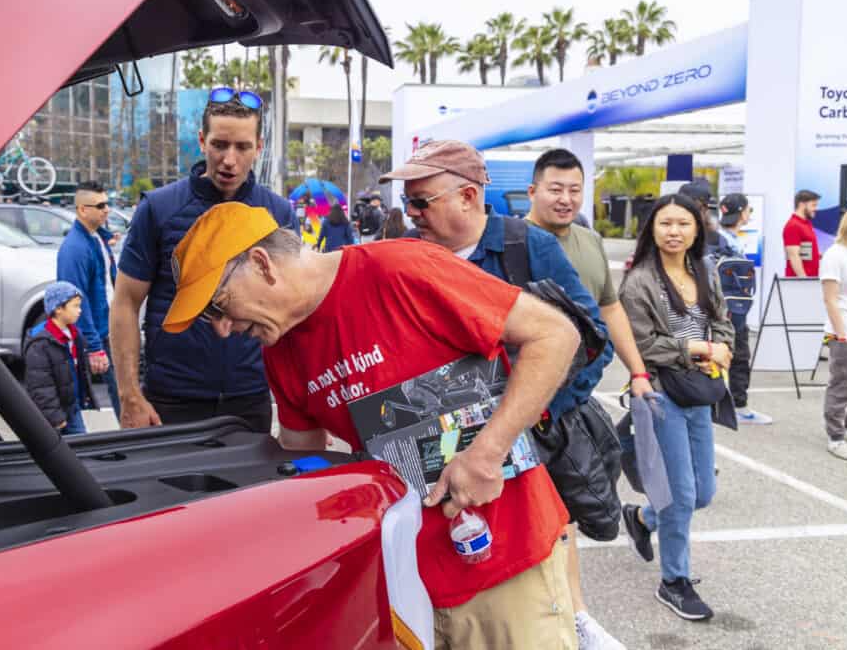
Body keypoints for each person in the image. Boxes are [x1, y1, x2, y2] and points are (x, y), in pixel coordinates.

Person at [164, 202, 581, 649]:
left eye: (220, 307)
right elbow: (307, 462)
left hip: (503, 559)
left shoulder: (399, 270)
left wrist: (487, 451)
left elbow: (555, 334)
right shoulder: (280, 351)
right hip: (402, 584)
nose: (224, 330)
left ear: (262, 264)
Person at [382, 140, 621, 650]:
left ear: (468, 196)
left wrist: (535, 414)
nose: (412, 214)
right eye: (408, 204)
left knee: (543, 537)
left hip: (524, 436)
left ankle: (568, 615)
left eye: (422, 202)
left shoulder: (525, 246)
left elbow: (590, 338)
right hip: (444, 441)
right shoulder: (406, 254)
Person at [524, 148, 667, 649]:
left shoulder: (587, 240)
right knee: (535, 515)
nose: (565, 199)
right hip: (525, 408)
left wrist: (639, 371)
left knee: (565, 513)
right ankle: (551, 615)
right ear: (533, 192)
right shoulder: (514, 244)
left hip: (574, 404)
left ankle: (575, 615)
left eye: (574, 190)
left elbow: (610, 309)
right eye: (555, 189)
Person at [112, 88, 295, 433]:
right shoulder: (159, 208)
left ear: (259, 147)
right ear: (201, 141)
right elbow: (125, 302)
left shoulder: (278, 213)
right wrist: (130, 396)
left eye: (242, 147)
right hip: (172, 400)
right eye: (219, 144)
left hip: (249, 398)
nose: (229, 159)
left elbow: (293, 313)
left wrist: (305, 404)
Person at [619, 194, 734, 622]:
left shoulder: (703, 270)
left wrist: (723, 348)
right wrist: (697, 348)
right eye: (665, 223)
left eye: (683, 224)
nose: (674, 231)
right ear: (652, 228)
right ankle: (674, 581)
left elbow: (722, 319)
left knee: (703, 492)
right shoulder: (639, 281)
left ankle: (644, 518)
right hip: (661, 394)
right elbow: (641, 343)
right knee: (681, 495)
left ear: (697, 229)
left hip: (700, 390)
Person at [57, 180, 119, 416]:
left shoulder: (96, 238)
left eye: (107, 203)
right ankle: (130, 437)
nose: (107, 210)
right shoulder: (74, 249)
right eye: (100, 205)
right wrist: (94, 347)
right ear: (83, 210)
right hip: (100, 334)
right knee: (120, 392)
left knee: (124, 389)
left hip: (110, 327)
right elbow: (74, 302)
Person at [716, 193, 771, 425]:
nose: (749, 216)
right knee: (738, 353)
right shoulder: (724, 241)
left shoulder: (722, 238)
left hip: (726, 307)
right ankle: (739, 405)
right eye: (748, 211)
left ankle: (727, 403)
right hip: (729, 308)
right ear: (740, 212)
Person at [818, 205, 847, 461]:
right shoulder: (835, 255)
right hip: (846, 330)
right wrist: (841, 333)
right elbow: (830, 299)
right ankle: (835, 438)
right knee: (842, 385)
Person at [24, 282, 92, 435]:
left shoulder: (75, 335)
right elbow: (41, 386)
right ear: (58, 308)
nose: (80, 311)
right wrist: (55, 417)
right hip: (51, 416)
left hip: (72, 408)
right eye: (75, 306)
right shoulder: (40, 344)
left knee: (81, 448)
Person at [784, 189, 821, 277]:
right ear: (801, 205)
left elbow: (804, 252)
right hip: (800, 285)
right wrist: (804, 280)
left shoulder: (806, 224)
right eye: (813, 205)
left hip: (811, 280)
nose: (816, 209)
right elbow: (794, 256)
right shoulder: (793, 226)